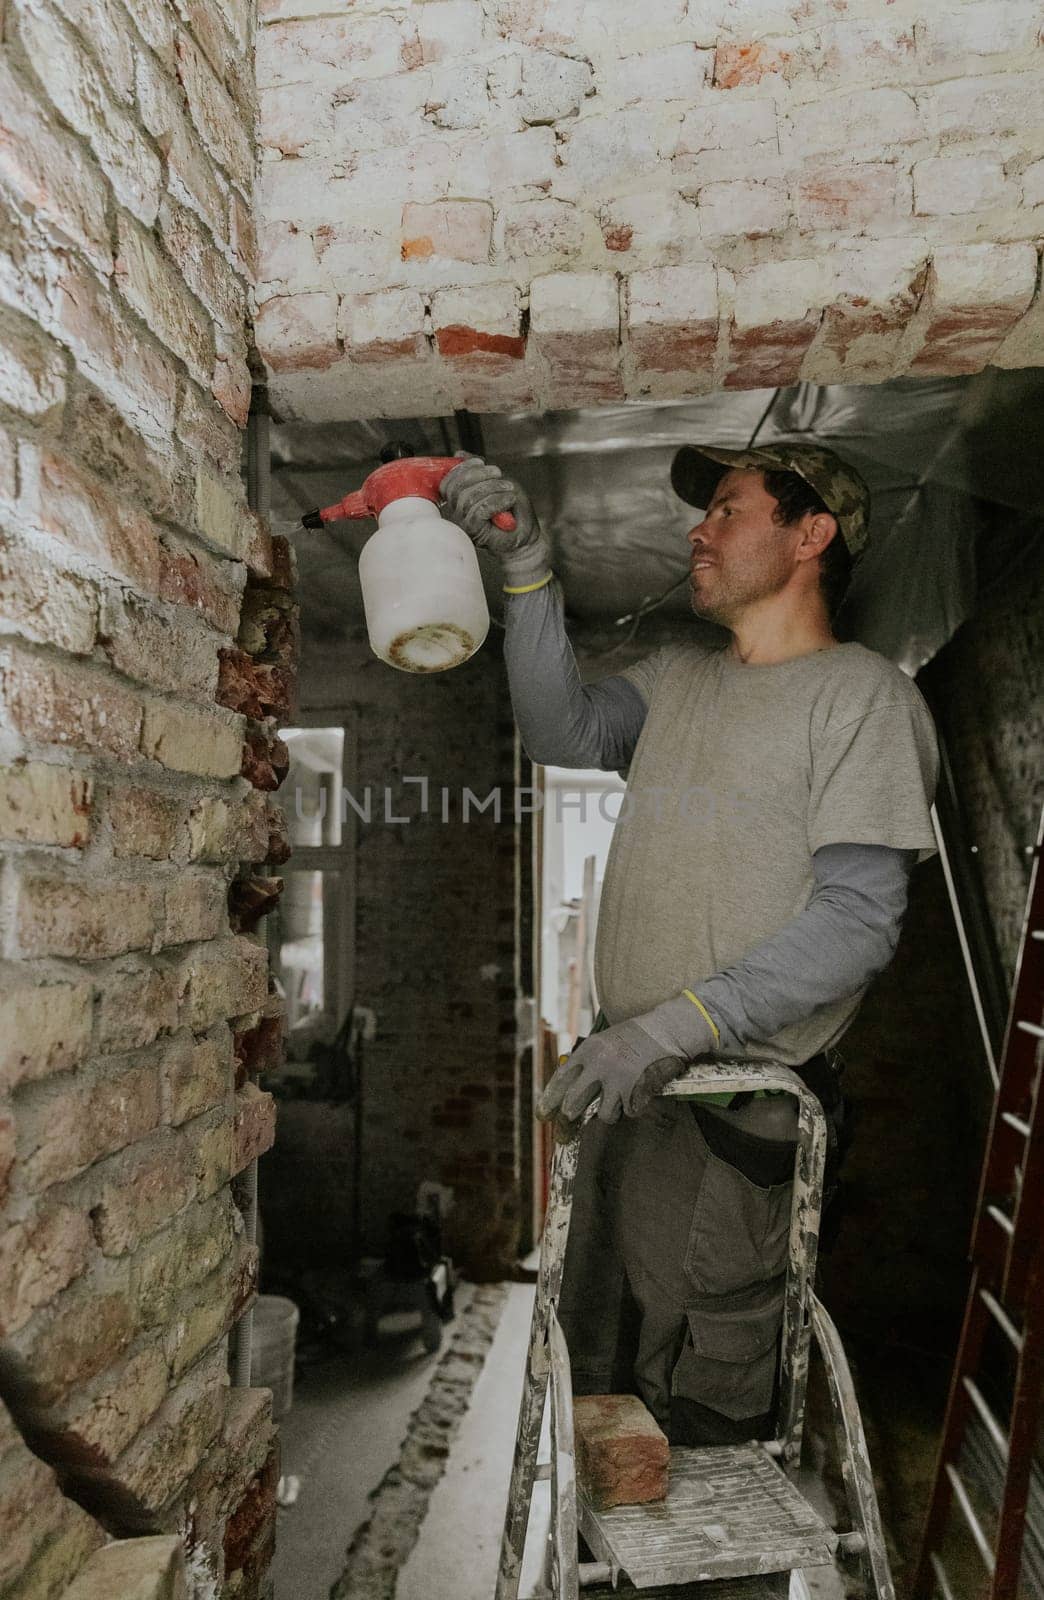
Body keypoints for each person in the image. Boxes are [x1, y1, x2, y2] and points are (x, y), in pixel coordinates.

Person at [441, 441, 939, 1446]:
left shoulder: (864, 696)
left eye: (725, 508)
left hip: (733, 1111)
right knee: (605, 1385)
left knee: (705, 1409)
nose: (695, 532)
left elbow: (858, 919)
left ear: (810, 534)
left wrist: (679, 1023)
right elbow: (561, 730)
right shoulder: (678, 680)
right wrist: (526, 568)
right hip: (639, 1088)